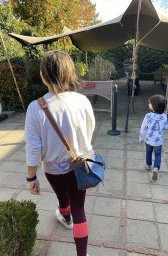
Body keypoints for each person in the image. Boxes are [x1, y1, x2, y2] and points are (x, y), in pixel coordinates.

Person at [24, 51, 95, 256]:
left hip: (52, 169)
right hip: (80, 166)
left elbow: (33, 147)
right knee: (79, 208)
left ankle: (64, 216)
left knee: (61, 196)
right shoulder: (82, 101)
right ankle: (82, 254)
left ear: (44, 74)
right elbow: (89, 130)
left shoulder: (35, 108)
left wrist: (31, 177)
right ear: (69, 72)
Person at [139, 94, 168, 181]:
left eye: (150, 103)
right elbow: (165, 127)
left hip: (148, 140)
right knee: (158, 154)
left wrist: (141, 138)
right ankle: (156, 168)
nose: (149, 104)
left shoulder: (148, 115)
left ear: (153, 105)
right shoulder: (164, 116)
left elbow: (143, 128)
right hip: (158, 142)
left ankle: (148, 165)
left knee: (148, 152)